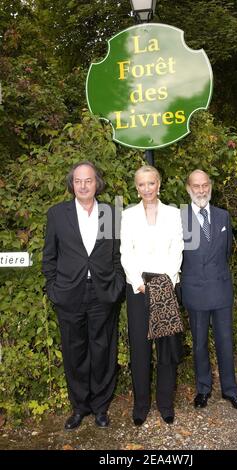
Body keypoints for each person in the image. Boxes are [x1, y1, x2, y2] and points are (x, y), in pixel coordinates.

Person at [42, 161, 125, 430]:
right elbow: (49, 257)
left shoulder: (111, 214)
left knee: (103, 350)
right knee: (74, 351)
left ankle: (101, 407)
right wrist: (53, 288)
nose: (83, 185)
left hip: (103, 293)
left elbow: (117, 255)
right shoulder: (57, 214)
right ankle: (80, 407)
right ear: (72, 184)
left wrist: (117, 284)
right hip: (69, 294)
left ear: (96, 183)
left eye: (88, 180)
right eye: (78, 181)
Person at [120, 165, 184, 426]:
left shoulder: (174, 214)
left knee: (166, 349)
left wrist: (164, 281)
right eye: (141, 184)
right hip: (137, 288)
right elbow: (126, 252)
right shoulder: (127, 215)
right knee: (140, 348)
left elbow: (177, 248)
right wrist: (138, 282)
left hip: (166, 285)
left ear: (159, 184)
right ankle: (141, 404)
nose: (147, 188)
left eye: (151, 183)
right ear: (136, 188)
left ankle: (165, 403)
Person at [180, 169, 237, 411]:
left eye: (205, 185)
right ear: (188, 188)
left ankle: (231, 391)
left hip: (220, 288)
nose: (201, 190)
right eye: (196, 186)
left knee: (225, 342)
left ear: (210, 186)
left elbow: (226, 249)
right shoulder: (178, 217)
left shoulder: (223, 216)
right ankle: (203, 389)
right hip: (195, 289)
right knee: (199, 344)